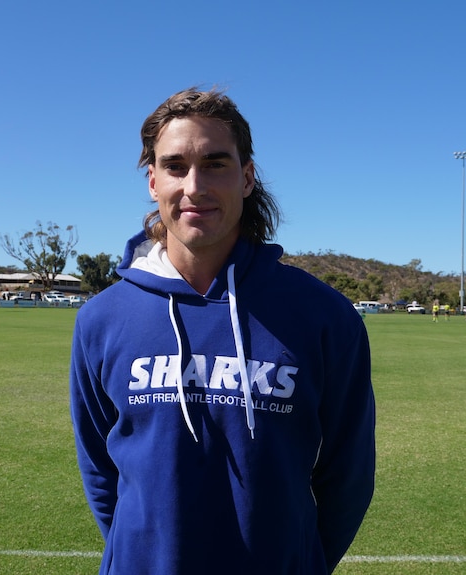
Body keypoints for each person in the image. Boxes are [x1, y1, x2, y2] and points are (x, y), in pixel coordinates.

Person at [69, 88, 376, 575]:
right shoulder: (103, 319)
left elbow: (349, 476)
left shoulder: (325, 317)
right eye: (175, 166)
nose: (194, 186)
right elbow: (101, 472)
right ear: (153, 181)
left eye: (215, 164)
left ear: (248, 177)